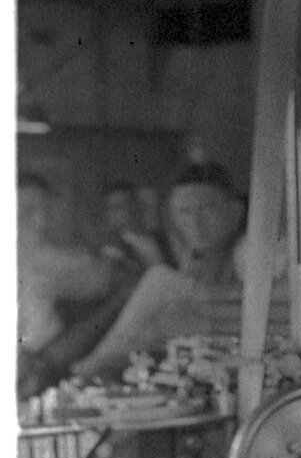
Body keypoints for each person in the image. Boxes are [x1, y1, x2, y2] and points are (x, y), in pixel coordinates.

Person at [67, 162, 251, 385]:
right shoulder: (196, 254)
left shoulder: (247, 249)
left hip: (244, 347)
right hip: (211, 351)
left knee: (160, 280)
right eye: (184, 212)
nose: (195, 222)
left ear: (235, 211)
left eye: (207, 209)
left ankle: (89, 370)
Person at [17, 172, 139, 398]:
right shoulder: (39, 258)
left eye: (46, 211)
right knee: (126, 293)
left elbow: (101, 275)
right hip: (35, 368)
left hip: (39, 363)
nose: (41, 222)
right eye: (26, 212)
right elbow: (108, 277)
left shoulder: (47, 256)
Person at [97, 181, 167, 273]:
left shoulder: (159, 239)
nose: (128, 210)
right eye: (115, 208)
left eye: (127, 205)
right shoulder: (112, 250)